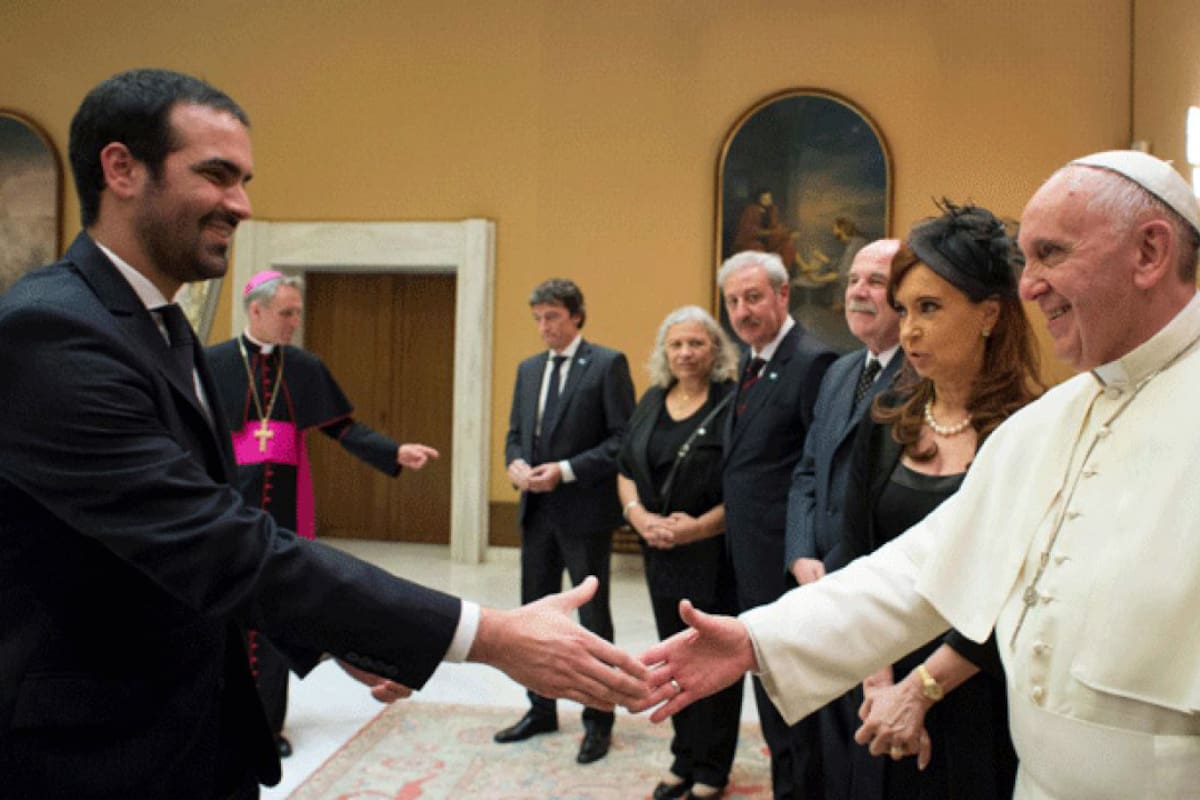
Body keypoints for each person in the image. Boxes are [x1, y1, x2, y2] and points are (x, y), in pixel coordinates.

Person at [0, 68, 647, 799]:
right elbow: (212, 542)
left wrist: (327, 633)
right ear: (121, 169)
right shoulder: (52, 330)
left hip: (191, 733)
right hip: (96, 750)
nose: (240, 204)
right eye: (215, 175)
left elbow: (208, 540)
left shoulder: (163, 325)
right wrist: (485, 635)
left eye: (244, 179)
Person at [637, 150, 1200, 799]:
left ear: (1150, 253)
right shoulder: (1054, 418)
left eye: (1052, 254)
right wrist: (756, 639)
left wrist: (923, 687)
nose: (1028, 284)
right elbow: (922, 566)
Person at [821, 202, 1041, 799]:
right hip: (880, 682)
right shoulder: (886, 421)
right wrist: (878, 684)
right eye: (903, 310)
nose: (908, 330)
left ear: (989, 314)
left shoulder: (1030, 429)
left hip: (976, 688)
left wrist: (919, 691)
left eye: (929, 308)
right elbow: (854, 555)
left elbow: (1014, 591)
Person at [206, 271, 440, 757]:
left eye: (297, 312)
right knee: (225, 621)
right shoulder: (213, 364)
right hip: (228, 507)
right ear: (257, 311)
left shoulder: (305, 367)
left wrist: (393, 452)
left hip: (284, 513)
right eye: (287, 312)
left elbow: (344, 430)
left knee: (276, 616)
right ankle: (222, 716)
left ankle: (268, 727)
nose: (295, 321)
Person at [496, 277, 636, 764]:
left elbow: (623, 440)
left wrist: (567, 471)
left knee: (592, 620)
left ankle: (599, 719)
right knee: (532, 616)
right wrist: (514, 463)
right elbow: (517, 434)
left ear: (576, 316)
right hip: (536, 513)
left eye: (552, 317)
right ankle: (540, 709)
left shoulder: (605, 364)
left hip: (584, 512)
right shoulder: (528, 369)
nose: (543, 327)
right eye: (537, 318)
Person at [782, 238, 903, 796]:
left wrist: (836, 566)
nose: (858, 291)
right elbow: (809, 470)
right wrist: (802, 553)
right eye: (854, 279)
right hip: (821, 585)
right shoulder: (840, 371)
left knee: (877, 758)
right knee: (834, 742)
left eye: (875, 281)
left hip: (879, 600)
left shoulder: (920, 379)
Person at [718, 250, 837, 799]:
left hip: (783, 562)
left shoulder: (811, 361)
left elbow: (818, 469)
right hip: (745, 555)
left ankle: (801, 789)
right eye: (734, 301)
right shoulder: (751, 360)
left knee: (791, 694)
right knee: (767, 689)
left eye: (754, 297)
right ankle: (785, 784)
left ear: (783, 294)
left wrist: (800, 552)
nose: (743, 311)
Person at [617, 305, 744, 800]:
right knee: (672, 657)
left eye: (696, 343)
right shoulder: (652, 399)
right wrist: (637, 517)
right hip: (660, 555)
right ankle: (683, 755)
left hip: (714, 556)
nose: (686, 353)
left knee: (715, 660)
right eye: (676, 344)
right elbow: (626, 467)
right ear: (663, 352)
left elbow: (746, 487)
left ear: (715, 349)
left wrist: (697, 529)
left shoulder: (732, 402)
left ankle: (712, 768)